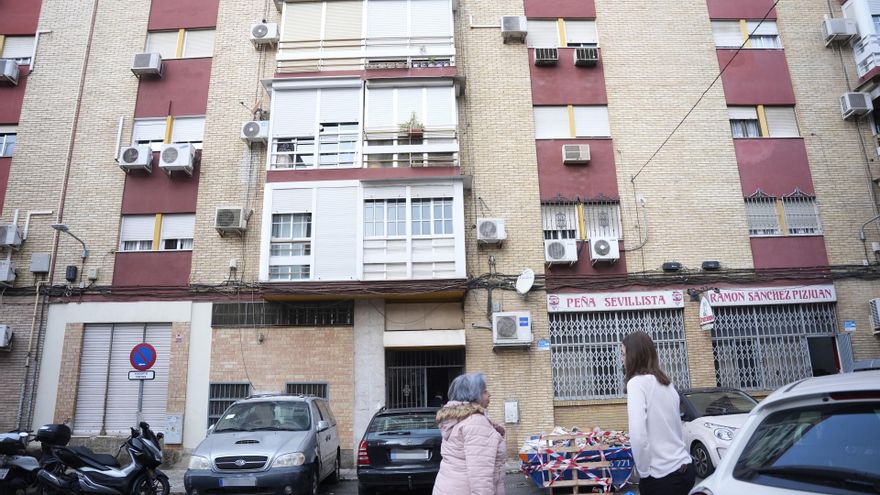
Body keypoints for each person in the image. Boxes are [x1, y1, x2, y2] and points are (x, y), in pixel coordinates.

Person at [623, 331, 695, 495]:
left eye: (623, 354)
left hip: (661, 477)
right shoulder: (667, 384)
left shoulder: (637, 384)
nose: (622, 360)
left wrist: (644, 472)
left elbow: (638, 436)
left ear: (633, 356)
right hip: (685, 469)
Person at [432, 373, 506, 495]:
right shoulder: (475, 422)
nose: (489, 394)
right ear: (473, 395)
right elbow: (481, 476)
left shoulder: (457, 419)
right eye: (484, 391)